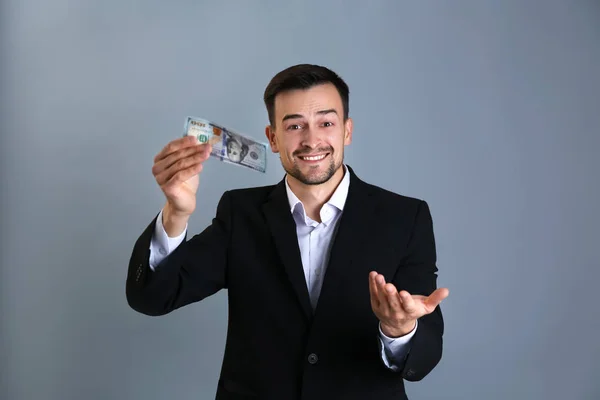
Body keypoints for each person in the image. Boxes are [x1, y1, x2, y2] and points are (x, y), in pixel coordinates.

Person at [126, 64, 449, 400]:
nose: (311, 141)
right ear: (273, 138)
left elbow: (423, 360)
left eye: (326, 123)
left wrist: (400, 330)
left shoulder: (405, 217)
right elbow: (152, 297)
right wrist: (176, 213)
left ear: (347, 131)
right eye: (295, 125)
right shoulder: (241, 215)